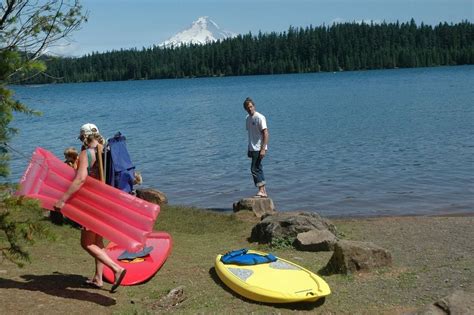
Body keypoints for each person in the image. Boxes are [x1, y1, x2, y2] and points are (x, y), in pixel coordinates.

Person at [53, 123, 126, 293]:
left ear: (84, 137)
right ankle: (98, 278)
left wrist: (63, 200)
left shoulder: (87, 153)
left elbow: (80, 179)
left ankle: (117, 269)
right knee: (98, 242)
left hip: (92, 203)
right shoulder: (106, 149)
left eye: (80, 137)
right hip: (106, 200)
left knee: (86, 244)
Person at [243, 97, 269, 198]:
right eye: (247, 107)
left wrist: (263, 148)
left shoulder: (260, 117)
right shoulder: (247, 119)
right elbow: (250, 134)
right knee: (258, 167)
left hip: (259, 147)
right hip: (252, 148)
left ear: (254, 106)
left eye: (251, 106)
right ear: (245, 109)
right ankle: (263, 191)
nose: (250, 109)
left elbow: (266, 133)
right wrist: (249, 148)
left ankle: (261, 190)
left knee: (254, 169)